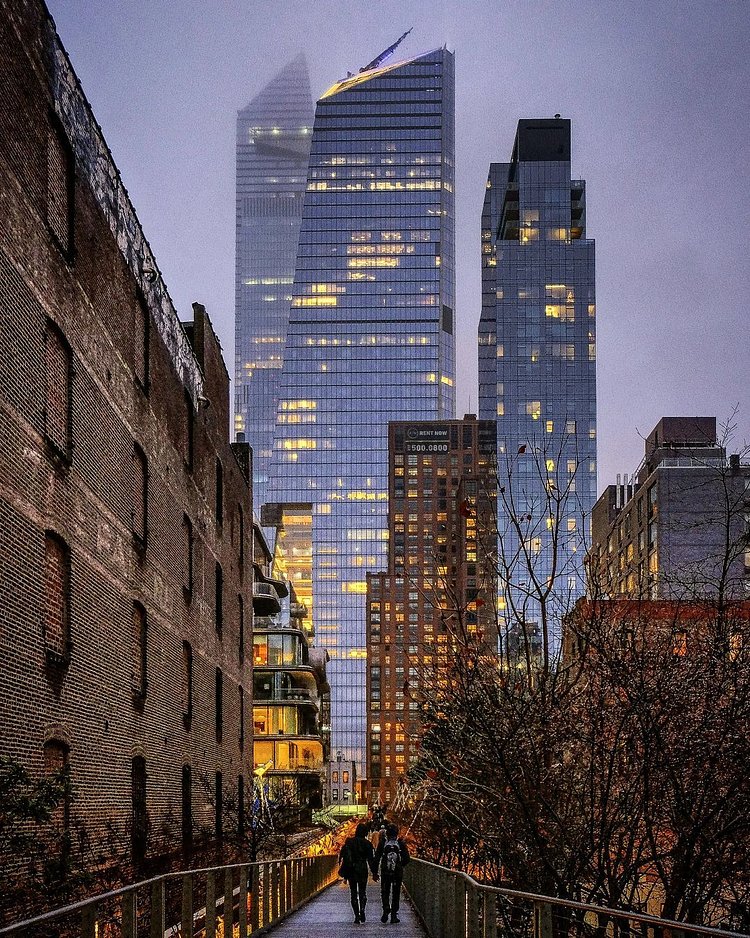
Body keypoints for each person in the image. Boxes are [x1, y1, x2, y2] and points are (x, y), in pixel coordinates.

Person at [339, 822, 378, 924]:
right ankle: (362, 910)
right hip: (362, 869)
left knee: (353, 892)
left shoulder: (349, 842)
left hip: (351, 870)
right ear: (365, 832)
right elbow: (371, 860)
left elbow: (344, 856)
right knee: (362, 891)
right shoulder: (367, 844)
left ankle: (356, 915)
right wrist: (374, 873)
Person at [374, 822, 410, 924]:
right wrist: (399, 865)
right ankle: (394, 915)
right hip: (397, 872)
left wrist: (375, 872)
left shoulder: (383, 843)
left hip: (385, 871)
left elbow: (377, 858)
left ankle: (386, 908)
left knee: (385, 891)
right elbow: (407, 858)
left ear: (387, 833)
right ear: (397, 833)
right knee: (396, 893)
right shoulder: (400, 843)